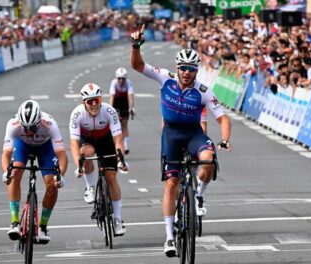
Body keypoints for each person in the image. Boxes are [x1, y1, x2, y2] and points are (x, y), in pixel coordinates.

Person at [130, 26, 232, 257]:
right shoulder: (164, 78)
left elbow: (223, 118)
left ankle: (197, 195)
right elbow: (137, 65)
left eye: (191, 69)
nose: (187, 72)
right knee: (171, 184)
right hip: (172, 135)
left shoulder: (203, 90)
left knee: (207, 162)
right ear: (177, 68)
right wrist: (136, 45)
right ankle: (169, 238)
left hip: (194, 134)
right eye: (183, 68)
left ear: (197, 71)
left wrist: (224, 139)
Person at [1, 100, 68, 244]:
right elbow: (6, 154)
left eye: (32, 128)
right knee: (13, 174)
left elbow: (62, 155)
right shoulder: (12, 124)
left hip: (45, 147)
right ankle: (14, 222)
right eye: (25, 128)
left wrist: (60, 176)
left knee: (52, 184)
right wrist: (6, 172)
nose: (29, 132)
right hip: (22, 145)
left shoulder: (50, 124)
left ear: (39, 122)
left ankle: (43, 226)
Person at [69, 83, 129, 236]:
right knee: (87, 152)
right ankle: (89, 187)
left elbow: (118, 138)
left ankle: (118, 219)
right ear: (84, 102)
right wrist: (79, 166)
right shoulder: (77, 114)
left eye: (96, 100)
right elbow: (74, 143)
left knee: (111, 178)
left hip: (105, 139)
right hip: (87, 139)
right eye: (90, 101)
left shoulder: (109, 110)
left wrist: (120, 159)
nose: (94, 104)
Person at [109, 67, 135, 154]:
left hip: (124, 102)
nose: (121, 81)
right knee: (114, 125)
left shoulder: (129, 83)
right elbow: (111, 97)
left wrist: (131, 108)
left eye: (123, 78)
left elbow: (130, 96)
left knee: (124, 124)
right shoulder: (113, 83)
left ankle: (126, 145)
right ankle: (114, 144)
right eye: (119, 78)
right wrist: (111, 109)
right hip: (116, 101)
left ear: (126, 78)